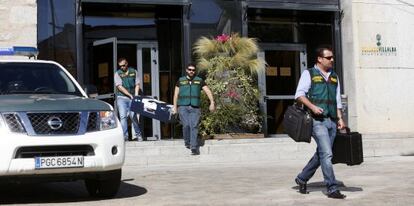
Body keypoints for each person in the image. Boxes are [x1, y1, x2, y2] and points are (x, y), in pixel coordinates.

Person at [294, 46, 347, 199]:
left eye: (332, 57)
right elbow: (299, 95)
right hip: (317, 122)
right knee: (327, 154)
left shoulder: (334, 76)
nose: (332, 60)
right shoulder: (309, 74)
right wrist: (312, 107)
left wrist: (340, 118)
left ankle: (302, 178)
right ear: (319, 59)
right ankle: (331, 187)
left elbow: (337, 100)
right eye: (329, 57)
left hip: (331, 121)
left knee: (322, 154)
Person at [173, 63, 215, 155]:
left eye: (193, 70)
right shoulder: (180, 80)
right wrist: (174, 107)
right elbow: (176, 95)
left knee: (194, 126)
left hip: (195, 107)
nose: (191, 71)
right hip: (183, 107)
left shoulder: (199, 81)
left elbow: (208, 91)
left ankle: (194, 147)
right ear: (186, 70)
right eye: (190, 69)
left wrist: (212, 102)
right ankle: (187, 142)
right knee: (186, 125)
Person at [114, 57, 142, 141]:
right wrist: (130, 95)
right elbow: (119, 86)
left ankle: (138, 135)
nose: (122, 67)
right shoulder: (117, 73)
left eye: (123, 65)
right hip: (121, 98)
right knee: (123, 117)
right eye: (120, 66)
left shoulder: (134, 71)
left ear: (126, 63)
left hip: (132, 98)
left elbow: (137, 84)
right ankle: (125, 136)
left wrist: (136, 95)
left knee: (133, 116)